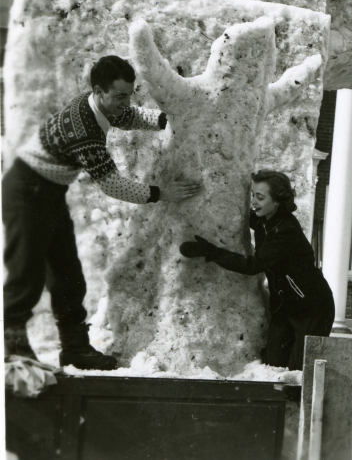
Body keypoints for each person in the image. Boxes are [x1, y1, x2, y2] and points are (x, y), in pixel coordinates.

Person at [3, 55, 203, 370]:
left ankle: (75, 349)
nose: (127, 101)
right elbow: (112, 185)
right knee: (26, 273)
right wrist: (161, 193)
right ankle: (11, 349)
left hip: (48, 191)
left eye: (130, 92)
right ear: (99, 91)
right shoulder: (85, 128)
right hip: (26, 191)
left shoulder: (102, 105)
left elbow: (128, 115)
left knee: (68, 276)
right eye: (121, 95)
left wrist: (165, 120)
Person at [180, 170, 335, 371]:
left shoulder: (285, 230)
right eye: (253, 195)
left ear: (278, 200)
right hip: (285, 306)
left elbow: (252, 266)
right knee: (273, 365)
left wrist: (211, 252)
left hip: (312, 307)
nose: (254, 202)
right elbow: (242, 216)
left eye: (260, 197)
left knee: (299, 372)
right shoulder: (265, 220)